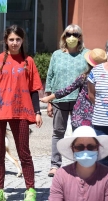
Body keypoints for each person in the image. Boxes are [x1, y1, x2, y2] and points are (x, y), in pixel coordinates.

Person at [0, 25, 43, 201]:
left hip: (21, 111)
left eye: (18, 39)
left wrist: (37, 111)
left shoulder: (28, 61)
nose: (14, 43)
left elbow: (33, 89)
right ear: (5, 41)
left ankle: (30, 189)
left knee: (24, 152)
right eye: (11, 39)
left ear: (22, 40)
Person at [45, 24, 89, 177]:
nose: (72, 37)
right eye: (69, 34)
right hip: (59, 100)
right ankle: (55, 165)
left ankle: (80, 164)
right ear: (64, 36)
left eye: (75, 34)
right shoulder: (57, 55)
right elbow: (50, 76)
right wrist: (49, 100)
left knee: (80, 133)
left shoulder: (87, 54)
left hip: (81, 101)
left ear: (80, 37)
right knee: (58, 132)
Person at [40, 48, 107, 130]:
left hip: (81, 117)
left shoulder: (84, 77)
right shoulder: (104, 78)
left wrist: (49, 98)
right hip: (100, 118)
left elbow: (67, 89)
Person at [49, 126, 108, 200]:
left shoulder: (106, 175)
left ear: (98, 148)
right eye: (79, 147)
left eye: (91, 147)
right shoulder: (61, 175)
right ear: (72, 149)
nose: (85, 151)